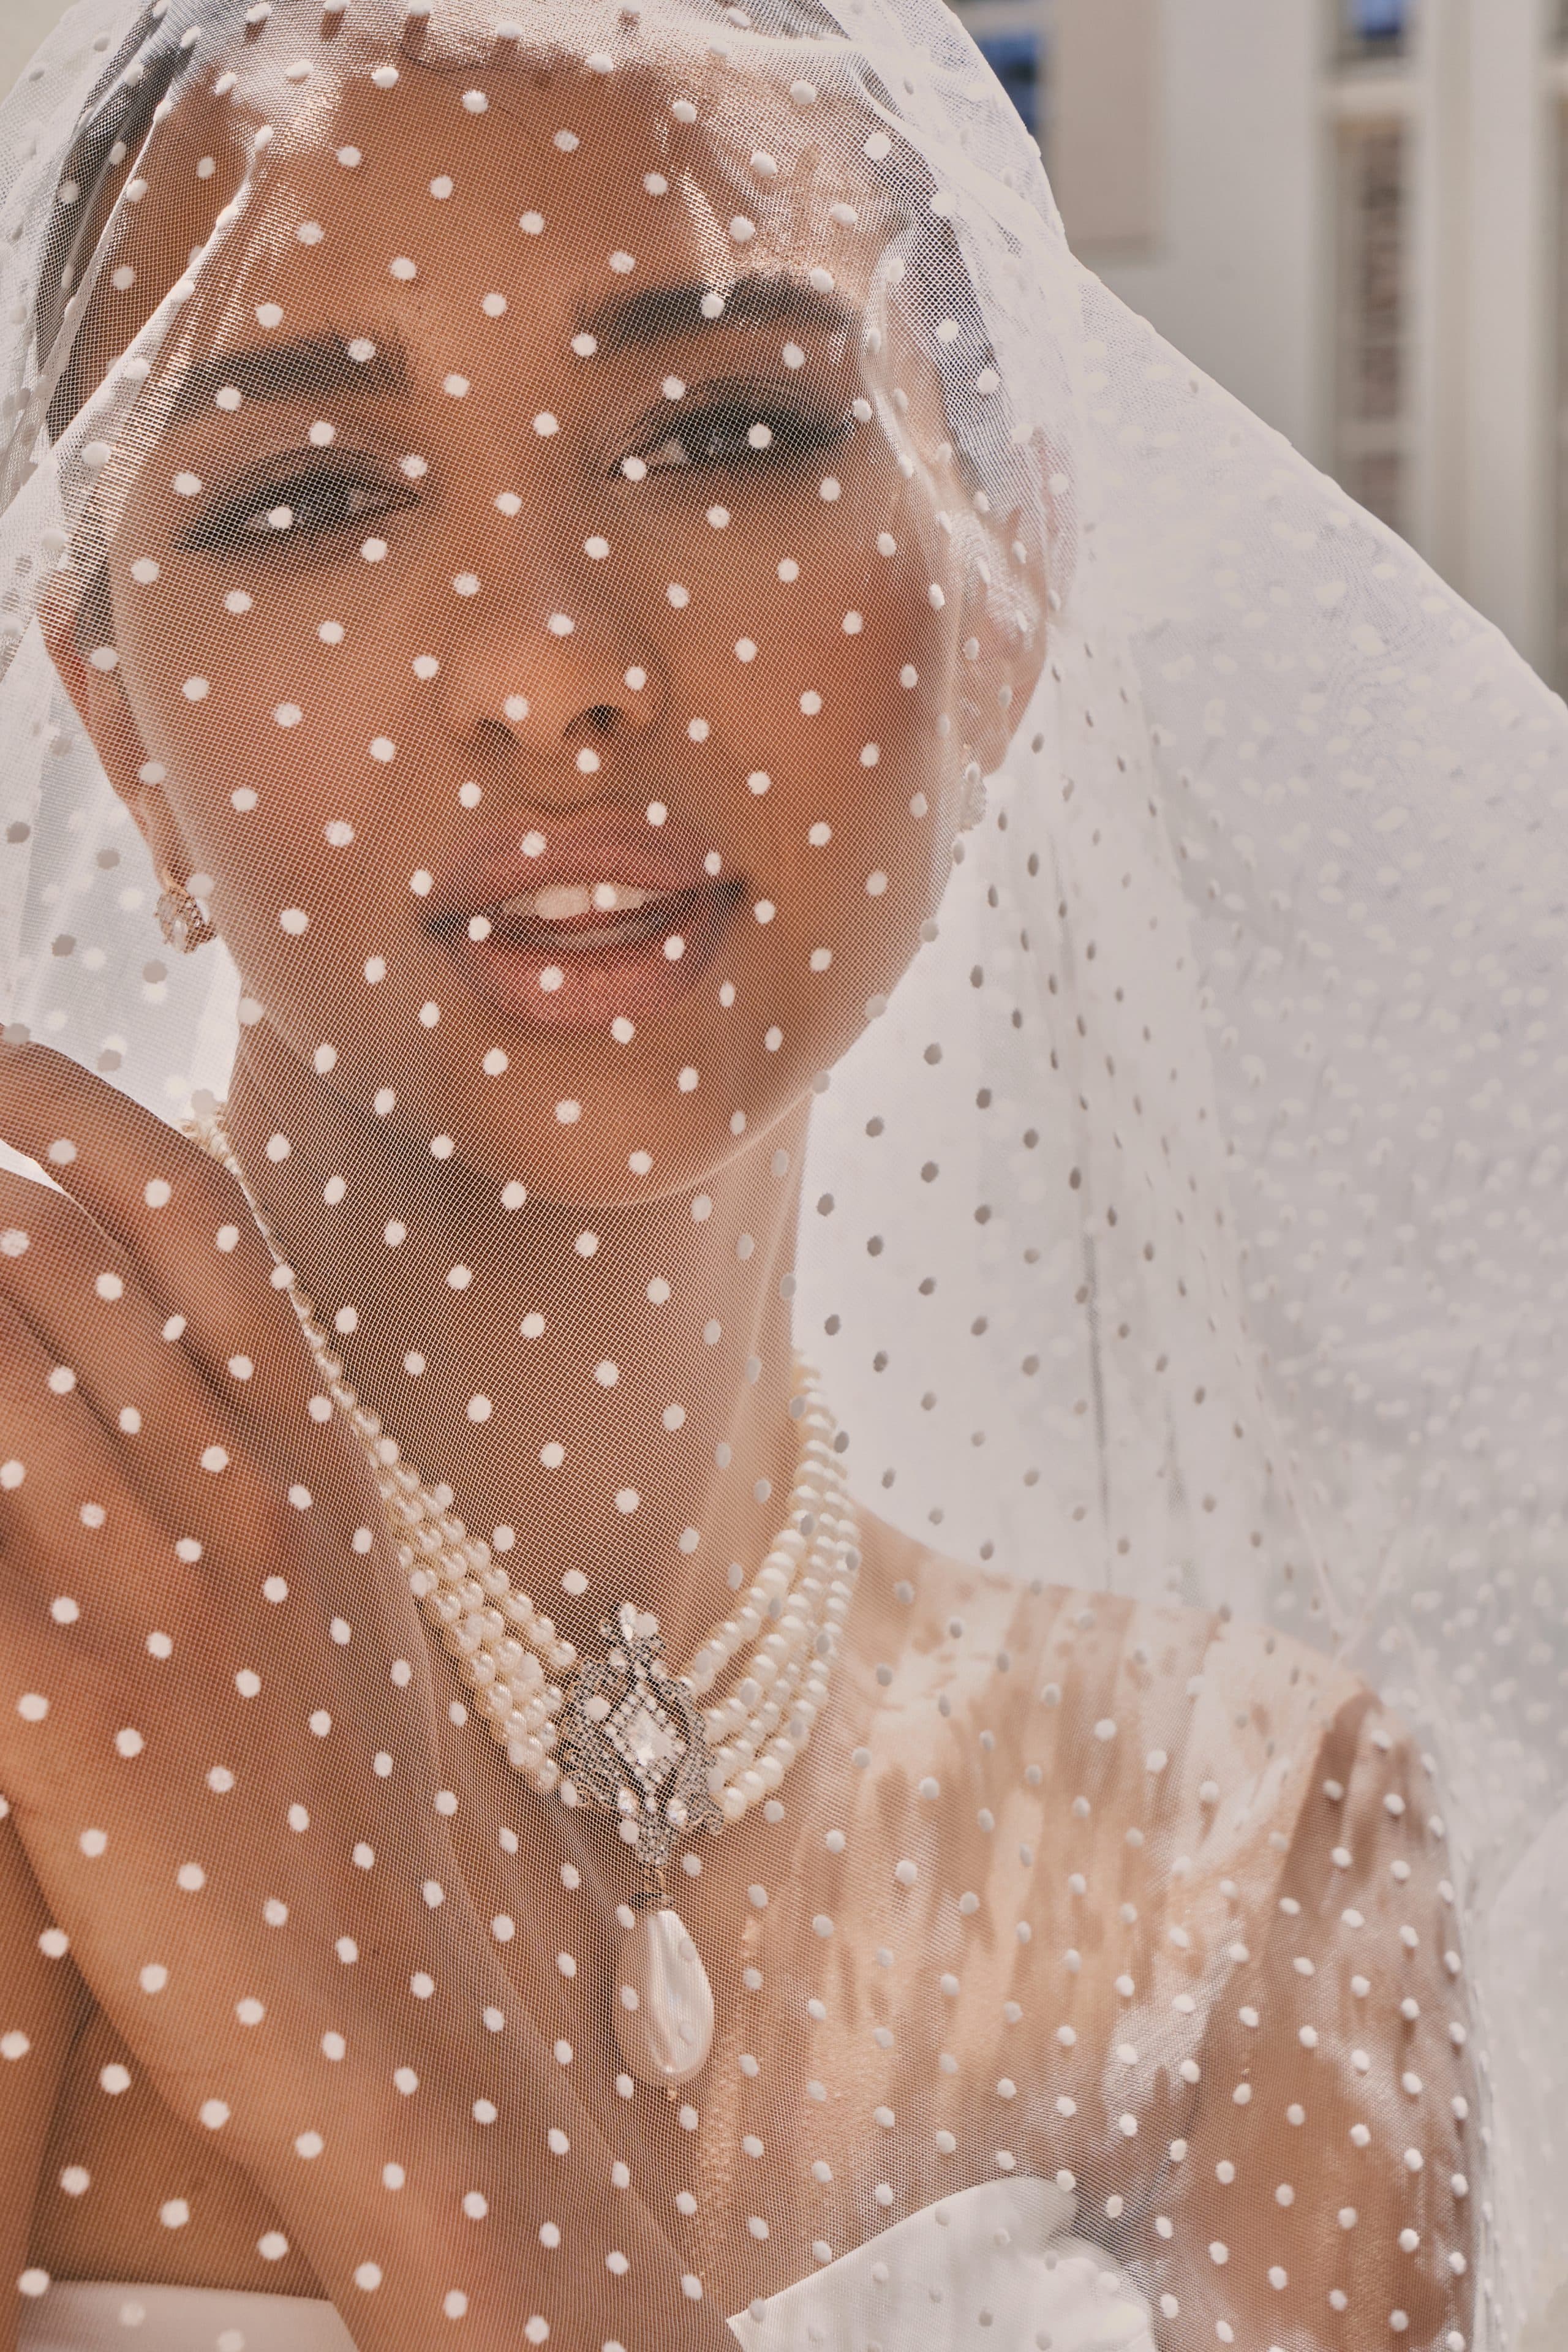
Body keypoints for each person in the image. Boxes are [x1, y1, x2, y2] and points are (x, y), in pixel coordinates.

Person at [0, 0, 1538, 2345]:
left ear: (1006, 586)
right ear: (113, 706)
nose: (551, 664)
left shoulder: (1242, 1829)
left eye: (725, 434)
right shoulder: (36, 1640)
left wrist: (402, 2078)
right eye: (311, 493)